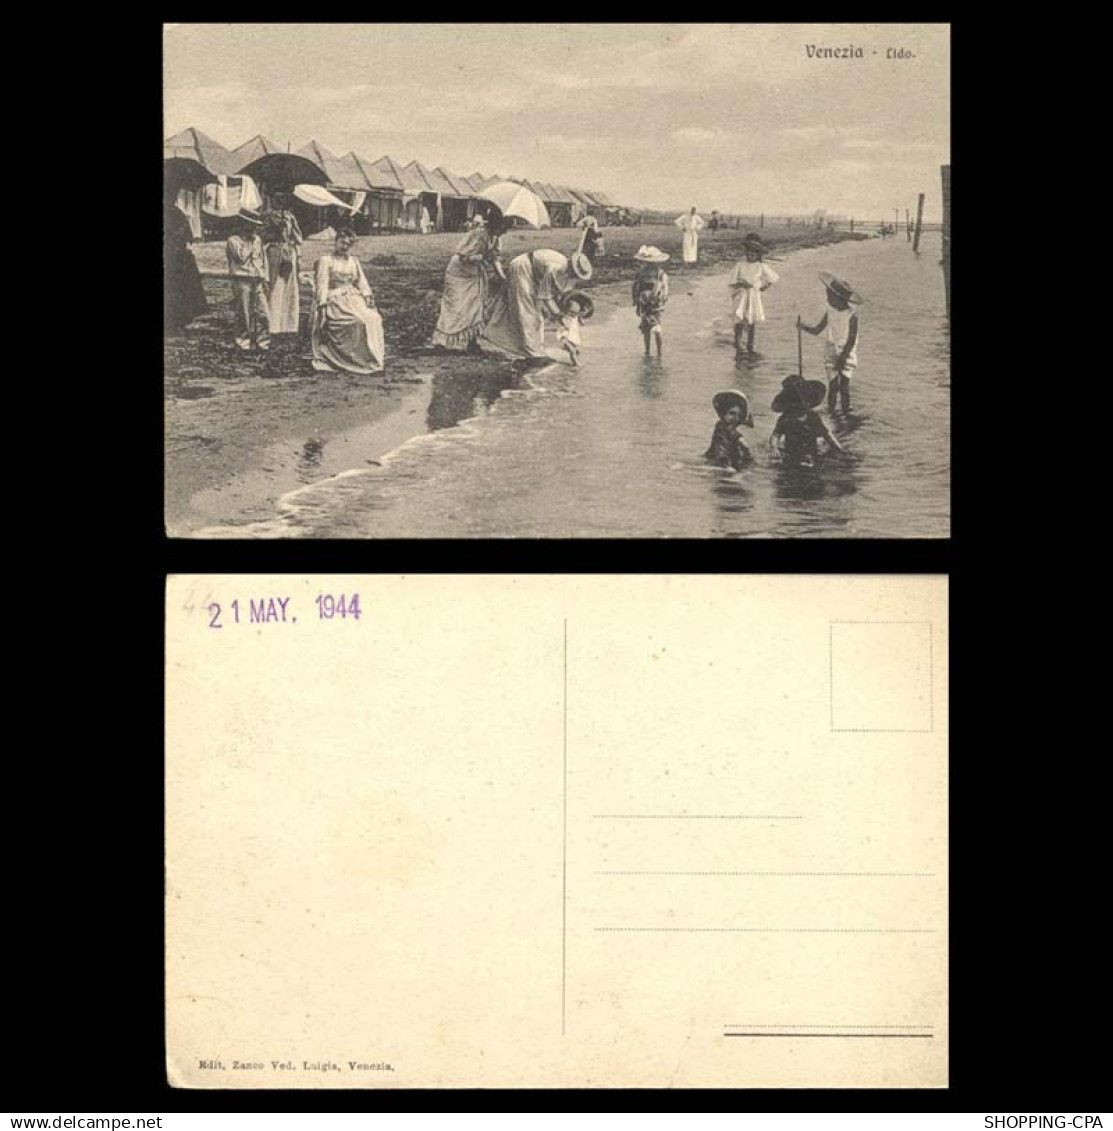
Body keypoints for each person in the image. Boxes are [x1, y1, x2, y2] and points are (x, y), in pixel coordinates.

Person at [479, 249, 593, 361]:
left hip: (535, 274)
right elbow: (546, 297)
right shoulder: (554, 268)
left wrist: (571, 318)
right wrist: (559, 315)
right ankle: (533, 353)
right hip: (523, 268)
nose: (574, 276)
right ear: (571, 268)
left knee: (538, 314)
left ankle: (535, 348)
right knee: (527, 312)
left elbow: (560, 293)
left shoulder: (566, 273)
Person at [311, 225, 385, 375]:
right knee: (358, 321)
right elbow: (322, 285)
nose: (344, 247)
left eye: (348, 244)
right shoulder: (326, 260)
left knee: (373, 318)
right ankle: (352, 359)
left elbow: (361, 281)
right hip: (335, 301)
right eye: (342, 243)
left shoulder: (353, 261)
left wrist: (368, 296)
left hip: (354, 298)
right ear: (336, 241)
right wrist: (322, 306)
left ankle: (370, 358)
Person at [432, 214, 507, 353]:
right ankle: (440, 342)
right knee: (456, 307)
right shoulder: (479, 234)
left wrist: (502, 277)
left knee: (476, 306)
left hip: (474, 274)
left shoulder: (496, 238)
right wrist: (481, 257)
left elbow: (495, 259)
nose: (505, 231)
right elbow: (463, 255)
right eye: (503, 227)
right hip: (458, 274)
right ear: (496, 224)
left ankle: (471, 341)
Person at [798, 271, 862, 412]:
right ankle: (832, 412)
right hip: (831, 350)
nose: (828, 298)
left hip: (846, 352)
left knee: (844, 386)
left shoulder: (852, 315)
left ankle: (845, 412)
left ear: (840, 298)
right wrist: (803, 327)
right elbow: (818, 329)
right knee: (833, 386)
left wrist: (843, 357)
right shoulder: (830, 311)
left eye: (830, 296)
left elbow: (851, 339)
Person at [768, 374, 844, 467]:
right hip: (791, 453)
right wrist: (774, 447)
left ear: (808, 402)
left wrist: (838, 449)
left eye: (802, 403)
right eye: (796, 403)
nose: (799, 406)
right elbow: (775, 435)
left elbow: (827, 435)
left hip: (811, 453)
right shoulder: (785, 419)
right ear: (790, 404)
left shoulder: (812, 417)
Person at [225, 210, 270, 352]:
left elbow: (263, 260)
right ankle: (243, 343)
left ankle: (263, 342)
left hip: (257, 279)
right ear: (243, 224)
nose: (254, 229)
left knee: (263, 313)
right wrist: (248, 242)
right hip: (242, 280)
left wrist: (265, 278)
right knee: (243, 313)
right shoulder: (233, 241)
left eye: (255, 226)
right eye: (250, 225)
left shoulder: (257, 240)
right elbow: (241, 257)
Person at [729, 233, 779, 356]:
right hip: (741, 295)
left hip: (753, 296)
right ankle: (738, 342)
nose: (751, 254)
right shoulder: (740, 265)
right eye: (749, 251)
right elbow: (732, 282)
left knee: (751, 320)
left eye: (754, 252)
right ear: (746, 252)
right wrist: (741, 284)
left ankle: (750, 344)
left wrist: (763, 287)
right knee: (739, 318)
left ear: (758, 254)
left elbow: (773, 278)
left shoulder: (761, 266)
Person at [261, 201, 303, 337]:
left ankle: (288, 324)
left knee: (289, 287)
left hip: (289, 252)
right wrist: (275, 231)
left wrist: (298, 254)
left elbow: (298, 238)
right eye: (277, 197)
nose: (280, 201)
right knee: (274, 287)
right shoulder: (267, 216)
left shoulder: (290, 217)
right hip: (273, 251)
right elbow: (262, 236)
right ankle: (272, 324)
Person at [164, 198, 208, 331]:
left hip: (175, 255)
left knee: (179, 286)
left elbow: (187, 237)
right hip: (175, 255)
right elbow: (188, 237)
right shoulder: (176, 212)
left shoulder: (176, 213)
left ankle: (178, 318)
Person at [631, 245, 670, 357]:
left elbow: (665, 289)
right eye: (648, 263)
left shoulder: (661, 274)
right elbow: (636, 287)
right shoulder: (642, 273)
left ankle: (659, 352)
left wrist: (662, 298)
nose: (650, 265)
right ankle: (647, 350)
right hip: (644, 304)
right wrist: (636, 301)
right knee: (646, 328)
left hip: (656, 304)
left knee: (657, 329)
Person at [705, 389, 755, 471]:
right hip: (720, 457)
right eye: (731, 413)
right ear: (723, 413)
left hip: (727, 457)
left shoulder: (727, 428)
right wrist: (740, 439)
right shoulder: (721, 426)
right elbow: (732, 433)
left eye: (738, 415)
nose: (735, 418)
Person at [555, 291, 593, 366]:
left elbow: (581, 319)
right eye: (571, 312)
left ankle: (571, 351)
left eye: (575, 312)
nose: (573, 314)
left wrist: (582, 318)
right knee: (572, 351)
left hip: (572, 336)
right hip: (564, 336)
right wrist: (563, 321)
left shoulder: (576, 316)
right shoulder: (565, 317)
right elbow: (561, 322)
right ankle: (576, 363)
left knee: (574, 349)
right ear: (567, 310)